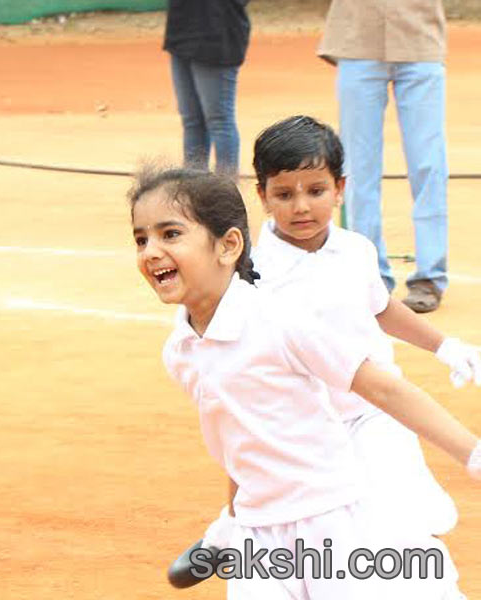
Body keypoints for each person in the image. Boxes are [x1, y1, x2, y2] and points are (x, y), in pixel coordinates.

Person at [168, 116, 481, 589]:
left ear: (339, 188)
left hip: (374, 412)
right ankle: (231, 527)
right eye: (284, 194)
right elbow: (240, 413)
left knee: (406, 522)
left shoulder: (355, 250)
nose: (301, 207)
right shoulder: (252, 272)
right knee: (278, 499)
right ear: (262, 196)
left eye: (315, 191)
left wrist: (446, 347)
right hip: (301, 429)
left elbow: (381, 308)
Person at [318, 0, 449, 312]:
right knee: (356, 169)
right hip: (357, 38)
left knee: (428, 164)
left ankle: (429, 276)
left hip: (419, 38)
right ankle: (369, 275)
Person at [162, 0, 250, 176]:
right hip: (181, 33)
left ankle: (227, 192)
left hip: (217, 35)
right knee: (192, 120)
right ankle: (193, 189)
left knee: (219, 121)